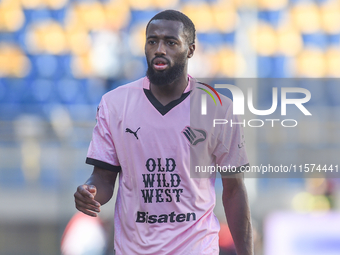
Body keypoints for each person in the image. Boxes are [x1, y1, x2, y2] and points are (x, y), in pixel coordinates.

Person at [74, 10, 253, 255]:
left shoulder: (218, 108)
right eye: (152, 41)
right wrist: (90, 192)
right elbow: (103, 179)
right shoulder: (114, 104)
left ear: (190, 50)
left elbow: (233, 191)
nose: (160, 49)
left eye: (170, 42)